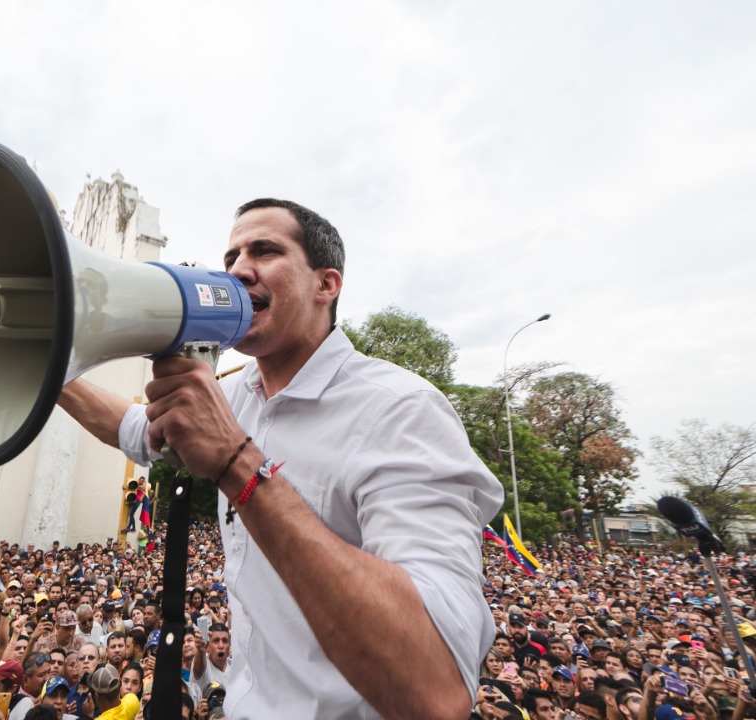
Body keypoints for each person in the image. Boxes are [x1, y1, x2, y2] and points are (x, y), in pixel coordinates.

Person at [58, 198, 503, 718]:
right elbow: (137, 427)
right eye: (231, 258)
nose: (239, 270)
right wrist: (51, 374)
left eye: (264, 251)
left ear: (326, 285)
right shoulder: (236, 396)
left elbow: (436, 688)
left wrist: (236, 461)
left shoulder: (400, 410)